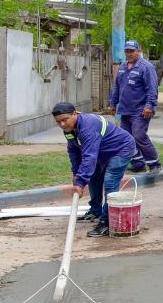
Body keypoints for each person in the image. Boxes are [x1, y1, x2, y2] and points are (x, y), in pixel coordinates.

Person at [52, 102, 137, 237]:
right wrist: (76, 174)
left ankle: (107, 222)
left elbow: (89, 156)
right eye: (58, 122)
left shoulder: (88, 127)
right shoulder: (69, 129)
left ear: (75, 113)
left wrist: (80, 183)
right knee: (93, 178)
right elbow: (74, 151)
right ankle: (95, 210)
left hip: (121, 149)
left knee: (110, 182)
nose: (62, 124)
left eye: (65, 120)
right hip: (101, 152)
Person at [108, 40, 161, 174]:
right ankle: (138, 163)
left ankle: (154, 164)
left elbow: (152, 89)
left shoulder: (146, 67)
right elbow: (117, 87)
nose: (129, 54)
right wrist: (112, 103)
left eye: (132, 51)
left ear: (139, 50)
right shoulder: (122, 67)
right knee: (126, 138)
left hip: (141, 110)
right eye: (127, 51)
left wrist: (149, 106)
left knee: (139, 135)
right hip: (125, 110)